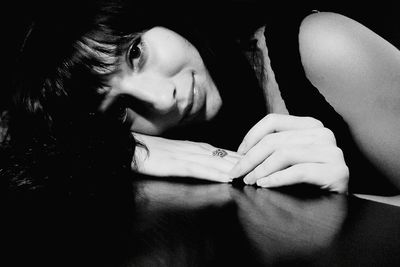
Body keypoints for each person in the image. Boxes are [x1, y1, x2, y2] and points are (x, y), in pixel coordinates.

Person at [3, 0, 400, 200]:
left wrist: (349, 205)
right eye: (119, 109)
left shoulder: (323, 47)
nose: (161, 99)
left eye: (136, 54)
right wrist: (125, 151)